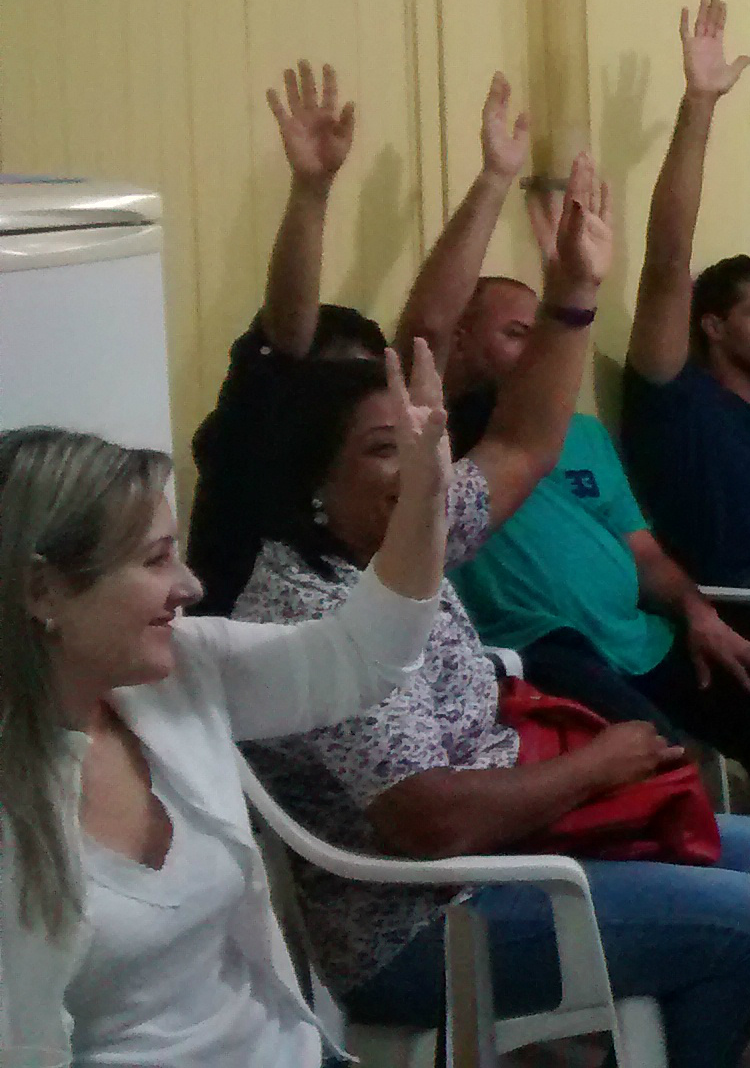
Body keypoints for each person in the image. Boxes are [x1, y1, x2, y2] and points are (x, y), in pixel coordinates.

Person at [235, 159, 750, 1067]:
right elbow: (431, 822)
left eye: (425, 437)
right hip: (429, 921)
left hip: (529, 843)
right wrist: (599, 763)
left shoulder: (401, 530)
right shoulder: (304, 616)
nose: (422, 464)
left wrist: (575, 289)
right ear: (312, 486)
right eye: (387, 448)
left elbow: (528, 440)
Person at [0, 392, 445, 1067]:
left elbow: (362, 659)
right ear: (43, 593)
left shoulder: (180, 668)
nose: (189, 585)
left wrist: (425, 497)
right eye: (154, 560)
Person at [391, 95, 750, 801]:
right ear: (462, 342)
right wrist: (494, 184)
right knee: (675, 776)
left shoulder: (579, 434)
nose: (537, 346)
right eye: (516, 332)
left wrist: (697, 613)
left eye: (539, 328)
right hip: (541, 655)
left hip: (646, 640)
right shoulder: (437, 436)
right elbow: (424, 327)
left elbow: (641, 552)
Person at [622, 0, 750, 590]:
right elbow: (666, 262)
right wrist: (699, 105)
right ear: (710, 324)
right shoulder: (677, 401)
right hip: (744, 608)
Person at [187, 60, 387, 618]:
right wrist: (311, 190)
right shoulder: (252, 457)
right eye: (337, 393)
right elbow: (288, 338)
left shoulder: (389, 518)